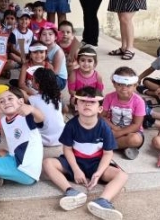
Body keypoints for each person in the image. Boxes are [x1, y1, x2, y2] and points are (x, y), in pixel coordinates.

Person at [42, 86, 127, 220]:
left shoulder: (104, 127)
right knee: (47, 163)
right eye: (82, 101)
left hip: (96, 164)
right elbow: (67, 149)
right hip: (74, 162)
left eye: (92, 102)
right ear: (76, 106)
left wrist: (98, 173)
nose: (87, 104)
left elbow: (107, 153)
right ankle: (71, 192)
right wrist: (76, 170)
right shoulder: (71, 125)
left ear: (100, 108)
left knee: (122, 175)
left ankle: (103, 201)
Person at [102, 67, 146, 160]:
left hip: (132, 132)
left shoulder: (139, 101)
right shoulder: (109, 97)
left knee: (135, 139)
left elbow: (137, 125)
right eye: (120, 84)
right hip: (112, 130)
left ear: (135, 85)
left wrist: (119, 133)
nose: (124, 88)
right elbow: (102, 117)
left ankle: (106, 146)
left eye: (128, 85)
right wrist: (114, 128)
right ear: (114, 83)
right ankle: (122, 147)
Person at [28, 68, 65, 146]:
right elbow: (66, 110)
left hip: (43, 140)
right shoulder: (56, 97)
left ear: (37, 85)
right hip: (61, 137)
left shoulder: (32, 99)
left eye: (33, 79)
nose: (31, 80)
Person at [38, 23, 68, 90]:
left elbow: (55, 72)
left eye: (50, 34)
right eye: (44, 34)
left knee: (42, 81)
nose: (47, 37)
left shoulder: (58, 52)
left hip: (59, 79)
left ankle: (54, 95)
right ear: (40, 37)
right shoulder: (41, 47)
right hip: (46, 73)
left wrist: (44, 62)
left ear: (56, 37)